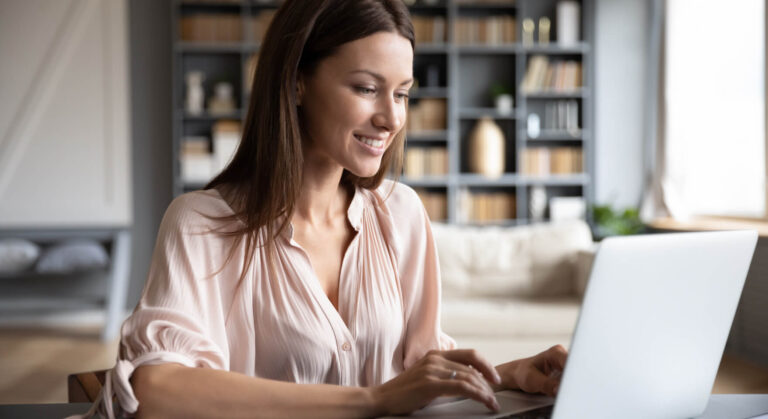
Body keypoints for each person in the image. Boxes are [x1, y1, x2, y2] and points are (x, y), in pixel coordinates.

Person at [82, 0, 568, 417]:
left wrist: (511, 373)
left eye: (402, 93)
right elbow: (156, 391)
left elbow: (417, 377)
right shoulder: (201, 224)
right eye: (366, 88)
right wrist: (370, 401)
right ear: (296, 83)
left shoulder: (401, 214)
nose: (392, 117)